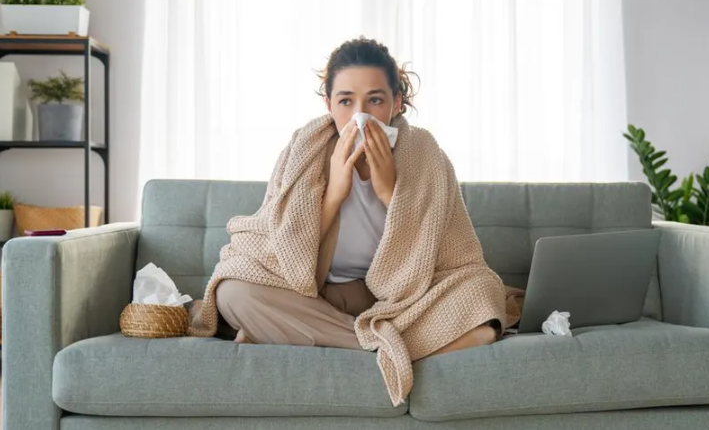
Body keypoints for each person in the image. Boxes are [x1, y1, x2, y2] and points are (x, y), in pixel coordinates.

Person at [205, 37, 504, 358]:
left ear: (397, 102)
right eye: (346, 101)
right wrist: (334, 192)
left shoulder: (425, 153)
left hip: (401, 298)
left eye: (375, 100)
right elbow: (284, 251)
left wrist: (391, 191)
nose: (360, 115)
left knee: (483, 290)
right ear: (329, 104)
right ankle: (394, 347)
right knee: (234, 293)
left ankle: (347, 341)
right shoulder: (304, 149)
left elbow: (450, 254)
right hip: (319, 296)